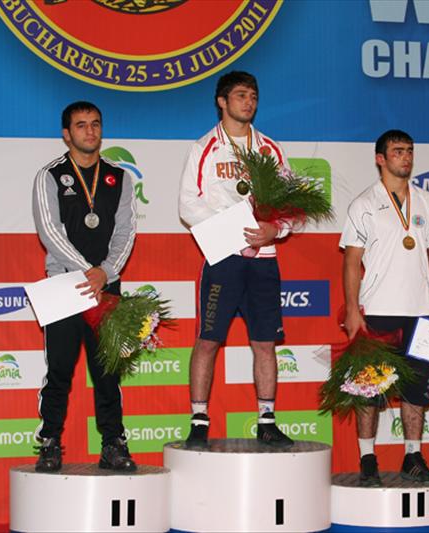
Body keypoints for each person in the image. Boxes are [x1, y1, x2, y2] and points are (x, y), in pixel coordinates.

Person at [179, 71, 293, 448]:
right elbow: (187, 205)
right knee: (208, 339)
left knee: (264, 342)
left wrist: (275, 229)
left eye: (253, 96)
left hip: (264, 258)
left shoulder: (270, 149)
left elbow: (292, 206)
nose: (249, 102)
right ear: (222, 101)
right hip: (223, 258)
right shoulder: (205, 148)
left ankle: (267, 421)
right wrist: (230, 231)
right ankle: (199, 420)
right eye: (241, 95)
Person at [341, 129, 429, 486]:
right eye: (398, 151)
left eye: (410, 151)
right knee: (369, 389)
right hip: (378, 309)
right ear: (380, 159)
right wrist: (353, 309)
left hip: (421, 309)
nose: (406, 157)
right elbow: (351, 261)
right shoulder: (364, 204)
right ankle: (367, 458)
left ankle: (413, 456)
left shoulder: (426, 201)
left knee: (416, 389)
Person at [32, 101, 137, 472]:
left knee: (108, 371)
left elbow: (127, 232)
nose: (90, 131)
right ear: (67, 134)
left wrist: (105, 273)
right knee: (59, 369)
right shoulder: (50, 175)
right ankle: (49, 443)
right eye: (81, 125)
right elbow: (49, 232)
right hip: (64, 284)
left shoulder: (119, 177)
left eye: (95, 124)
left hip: (106, 287)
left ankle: (113, 444)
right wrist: (87, 272)